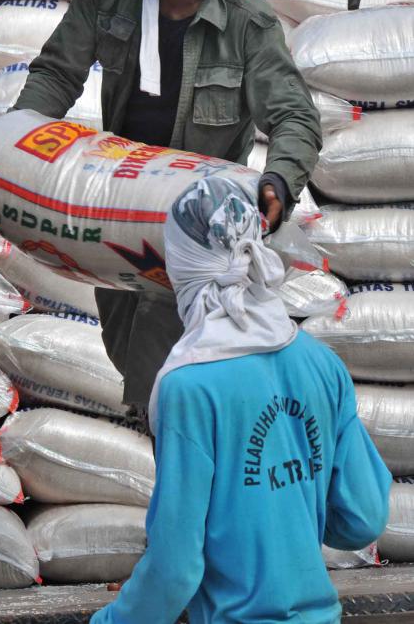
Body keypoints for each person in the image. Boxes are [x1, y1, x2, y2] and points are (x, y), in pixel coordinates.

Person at [13, 0, 322, 420]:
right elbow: (59, 72)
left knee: (172, 378)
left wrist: (279, 178)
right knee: (127, 339)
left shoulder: (246, 22)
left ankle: (179, 470)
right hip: (118, 202)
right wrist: (18, 142)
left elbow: (294, 116)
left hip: (200, 219)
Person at [90, 177, 392, 624]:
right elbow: (365, 519)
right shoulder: (320, 363)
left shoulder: (188, 387)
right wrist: (288, 512)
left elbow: (175, 569)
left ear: (181, 267)